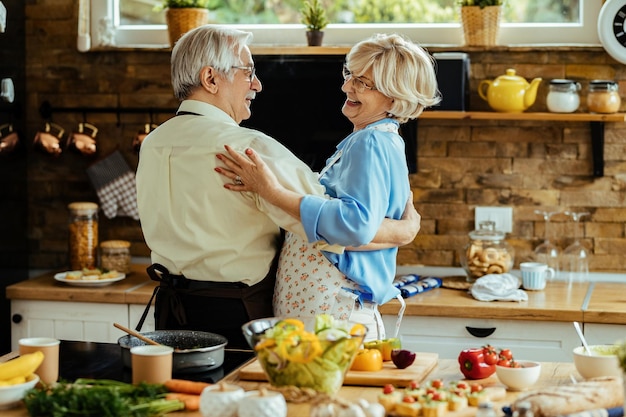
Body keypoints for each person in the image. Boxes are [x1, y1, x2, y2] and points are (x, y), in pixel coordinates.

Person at [135, 25, 420, 349]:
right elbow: (338, 228)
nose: (256, 84)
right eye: (248, 72)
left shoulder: (153, 143)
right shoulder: (249, 149)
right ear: (211, 79)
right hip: (236, 318)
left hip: (169, 314)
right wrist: (404, 231)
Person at [217, 33, 441, 341]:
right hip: (325, 312)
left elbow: (355, 224)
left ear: (393, 96)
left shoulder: (371, 142)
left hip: (333, 314)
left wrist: (271, 191)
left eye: (364, 83)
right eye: (351, 75)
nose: (347, 86)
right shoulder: (373, 139)